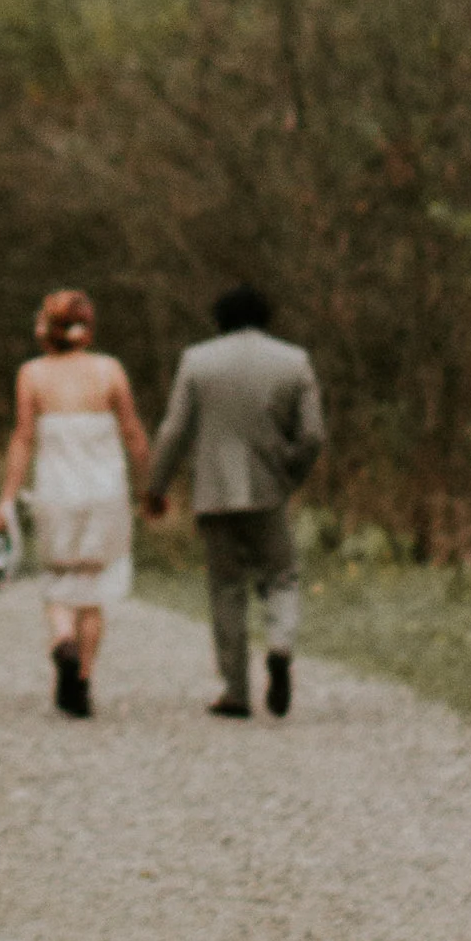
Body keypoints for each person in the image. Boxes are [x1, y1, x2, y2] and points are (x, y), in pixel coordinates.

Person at [144, 282, 327, 720]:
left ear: (220, 319)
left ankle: (236, 692)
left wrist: (156, 486)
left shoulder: (196, 360)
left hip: (214, 493)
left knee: (226, 589)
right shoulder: (294, 360)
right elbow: (313, 434)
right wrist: (290, 474)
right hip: (269, 491)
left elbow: (174, 430)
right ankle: (280, 647)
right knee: (282, 577)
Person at [0, 288, 151, 719]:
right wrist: (149, 488)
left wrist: (7, 499)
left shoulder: (32, 374)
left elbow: (23, 438)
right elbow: (133, 432)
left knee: (58, 579)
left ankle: (63, 640)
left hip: (56, 492)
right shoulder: (109, 370)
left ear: (45, 328)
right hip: (105, 495)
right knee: (93, 592)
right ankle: (82, 679)